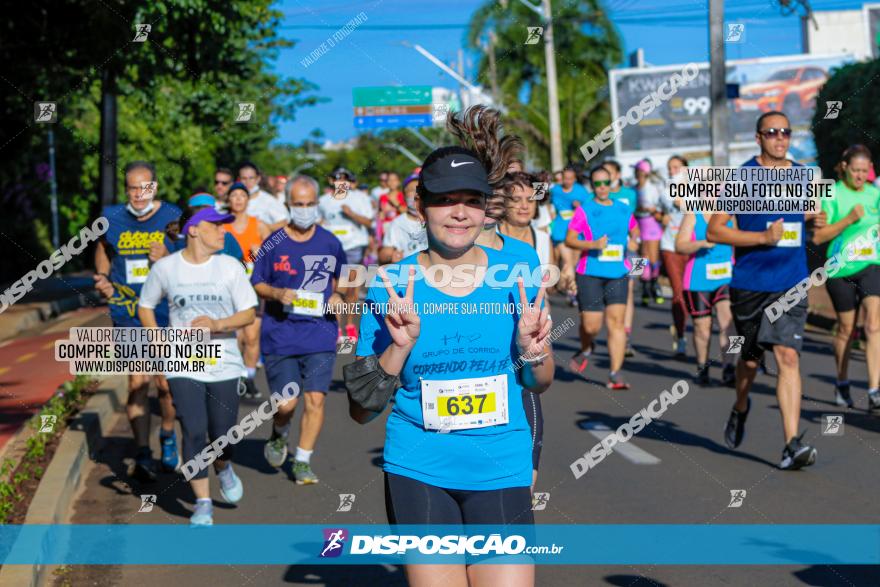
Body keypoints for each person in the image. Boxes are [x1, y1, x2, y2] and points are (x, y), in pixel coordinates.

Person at [349, 145, 553, 587]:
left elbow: (538, 382)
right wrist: (397, 350)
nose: (459, 213)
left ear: (485, 209)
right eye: (444, 199)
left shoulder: (520, 269)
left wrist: (534, 350)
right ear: (419, 206)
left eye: (472, 200)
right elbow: (361, 410)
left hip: (500, 464)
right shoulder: (389, 285)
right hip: (419, 469)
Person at [707, 110, 822, 470]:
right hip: (750, 284)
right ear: (759, 138)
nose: (780, 138)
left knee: (788, 356)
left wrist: (814, 219)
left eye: (786, 132)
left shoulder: (804, 176)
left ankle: (791, 443)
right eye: (772, 132)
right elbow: (715, 231)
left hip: (790, 281)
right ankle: (741, 405)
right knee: (752, 359)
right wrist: (761, 237)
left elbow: (808, 220)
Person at [138, 205, 258, 525]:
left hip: (224, 361)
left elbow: (248, 312)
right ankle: (202, 501)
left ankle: (223, 465)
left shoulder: (230, 267)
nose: (223, 231)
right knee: (192, 428)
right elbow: (146, 305)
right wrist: (156, 338)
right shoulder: (166, 268)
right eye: (216, 226)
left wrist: (217, 324)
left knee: (223, 433)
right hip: (183, 359)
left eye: (224, 226)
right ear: (193, 229)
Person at [253, 175, 348, 485]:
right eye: (298, 204)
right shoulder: (274, 242)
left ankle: (303, 460)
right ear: (288, 205)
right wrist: (277, 294)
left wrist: (339, 296)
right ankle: (280, 432)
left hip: (320, 333)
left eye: (310, 204)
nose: (305, 210)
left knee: (316, 399)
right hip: (280, 332)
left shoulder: (330, 242)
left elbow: (347, 280)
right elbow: (257, 282)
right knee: (286, 403)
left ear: (317, 204)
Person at [93, 161, 181, 482]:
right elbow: (102, 247)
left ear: (154, 187)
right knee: (137, 382)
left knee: (166, 385)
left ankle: (168, 435)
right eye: (132, 187)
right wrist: (102, 276)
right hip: (128, 311)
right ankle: (142, 452)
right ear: (126, 189)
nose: (139, 194)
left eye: (145, 187)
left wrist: (169, 258)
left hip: (166, 313)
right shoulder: (111, 217)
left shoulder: (173, 216)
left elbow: (194, 260)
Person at [812, 144, 880, 410]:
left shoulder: (875, 195)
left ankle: (875, 389)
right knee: (845, 330)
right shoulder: (832, 194)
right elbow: (818, 236)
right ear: (845, 169)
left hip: (871, 265)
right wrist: (848, 220)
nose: (861, 176)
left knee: (873, 325)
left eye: (865, 170)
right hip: (839, 269)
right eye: (856, 170)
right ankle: (842, 381)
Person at [565, 165, 639, 389]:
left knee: (616, 323)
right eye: (597, 184)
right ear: (592, 186)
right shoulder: (585, 210)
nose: (602, 188)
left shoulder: (623, 208)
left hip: (618, 272)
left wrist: (635, 240)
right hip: (590, 273)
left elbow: (634, 230)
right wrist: (592, 244)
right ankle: (587, 347)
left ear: (612, 183)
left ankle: (615, 373)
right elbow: (570, 239)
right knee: (591, 326)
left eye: (605, 183)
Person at [675, 210, 735, 385]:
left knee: (730, 324)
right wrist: (701, 243)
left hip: (727, 276)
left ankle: (730, 367)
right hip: (698, 279)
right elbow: (680, 246)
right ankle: (702, 366)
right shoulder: (693, 215)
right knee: (702, 327)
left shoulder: (732, 213)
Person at [318, 167, 376, 342]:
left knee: (351, 291)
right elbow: (317, 222)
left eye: (345, 179)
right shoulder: (323, 201)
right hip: (330, 249)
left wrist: (351, 214)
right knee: (334, 289)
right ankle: (336, 328)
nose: (341, 182)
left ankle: (350, 326)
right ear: (331, 181)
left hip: (353, 247)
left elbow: (368, 221)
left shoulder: (361, 199)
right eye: (338, 178)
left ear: (351, 182)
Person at [226, 182, 272, 398]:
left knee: (252, 336)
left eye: (241, 195)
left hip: (254, 286)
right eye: (233, 195)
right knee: (236, 336)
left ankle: (249, 378)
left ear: (247, 199)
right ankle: (234, 376)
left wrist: (260, 252)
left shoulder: (259, 225)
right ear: (228, 200)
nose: (237, 199)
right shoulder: (221, 225)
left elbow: (275, 253)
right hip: (229, 287)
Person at [604, 159, 640, 357]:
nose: (606, 179)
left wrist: (635, 239)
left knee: (630, 288)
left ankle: (625, 334)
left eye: (609, 173)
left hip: (628, 249)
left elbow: (634, 221)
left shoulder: (629, 194)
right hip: (604, 251)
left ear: (617, 175)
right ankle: (613, 330)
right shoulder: (596, 197)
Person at [659, 155, 691, 360]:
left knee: (690, 294)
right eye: (670, 168)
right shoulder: (665, 189)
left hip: (692, 246)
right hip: (670, 245)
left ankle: (694, 333)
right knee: (678, 293)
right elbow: (675, 203)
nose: (672, 171)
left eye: (677, 167)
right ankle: (680, 337)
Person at [163, 194, 245, 262]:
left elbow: (244, 265)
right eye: (214, 224)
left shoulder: (227, 238)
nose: (223, 230)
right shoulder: (178, 242)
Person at [549, 167, 588, 302]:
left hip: (577, 231)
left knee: (574, 263)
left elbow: (590, 207)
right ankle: (572, 293)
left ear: (575, 179)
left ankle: (566, 285)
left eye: (570, 178)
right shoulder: (555, 190)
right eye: (565, 178)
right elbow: (540, 201)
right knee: (568, 261)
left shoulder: (581, 191)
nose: (567, 181)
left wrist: (580, 206)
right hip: (560, 230)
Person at [634, 159, 666, 305]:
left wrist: (652, 210)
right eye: (637, 172)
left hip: (651, 223)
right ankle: (643, 286)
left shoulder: (653, 187)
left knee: (653, 257)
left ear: (645, 174)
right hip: (638, 223)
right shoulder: (634, 189)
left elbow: (660, 208)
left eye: (641, 173)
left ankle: (655, 284)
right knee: (642, 256)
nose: (638, 175)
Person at [379, 172, 426, 263]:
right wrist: (389, 256)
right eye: (411, 190)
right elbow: (385, 254)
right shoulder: (397, 223)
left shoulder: (435, 219)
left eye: (420, 189)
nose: (416, 193)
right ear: (404, 196)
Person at [239, 161, 288, 231]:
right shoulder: (234, 200)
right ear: (239, 179)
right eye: (244, 178)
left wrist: (263, 228)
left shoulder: (268, 200)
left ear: (258, 179)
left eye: (251, 178)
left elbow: (283, 223)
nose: (247, 182)